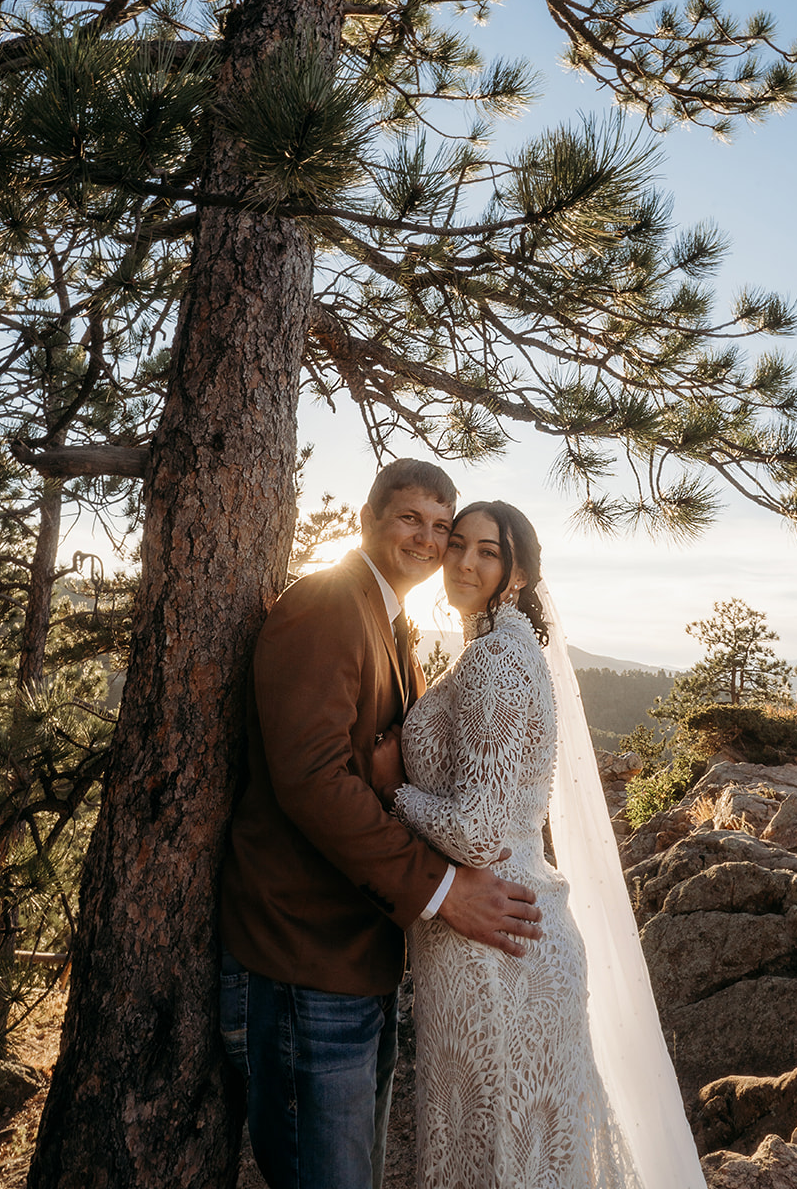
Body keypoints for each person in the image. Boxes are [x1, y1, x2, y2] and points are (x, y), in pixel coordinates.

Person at [218, 460, 543, 1189]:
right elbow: (312, 779)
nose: (429, 541)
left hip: (358, 953)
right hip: (302, 955)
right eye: (410, 520)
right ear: (368, 519)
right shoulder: (327, 605)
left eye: (441, 527)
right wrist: (442, 892)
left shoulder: (388, 623)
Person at [372, 501, 706, 1188]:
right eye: (456, 544)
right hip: (503, 930)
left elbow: (479, 832)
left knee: (497, 1158)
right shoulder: (502, 649)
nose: (463, 561)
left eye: (486, 552)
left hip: (498, 944)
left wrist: (392, 790)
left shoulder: (496, 661)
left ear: (518, 571)